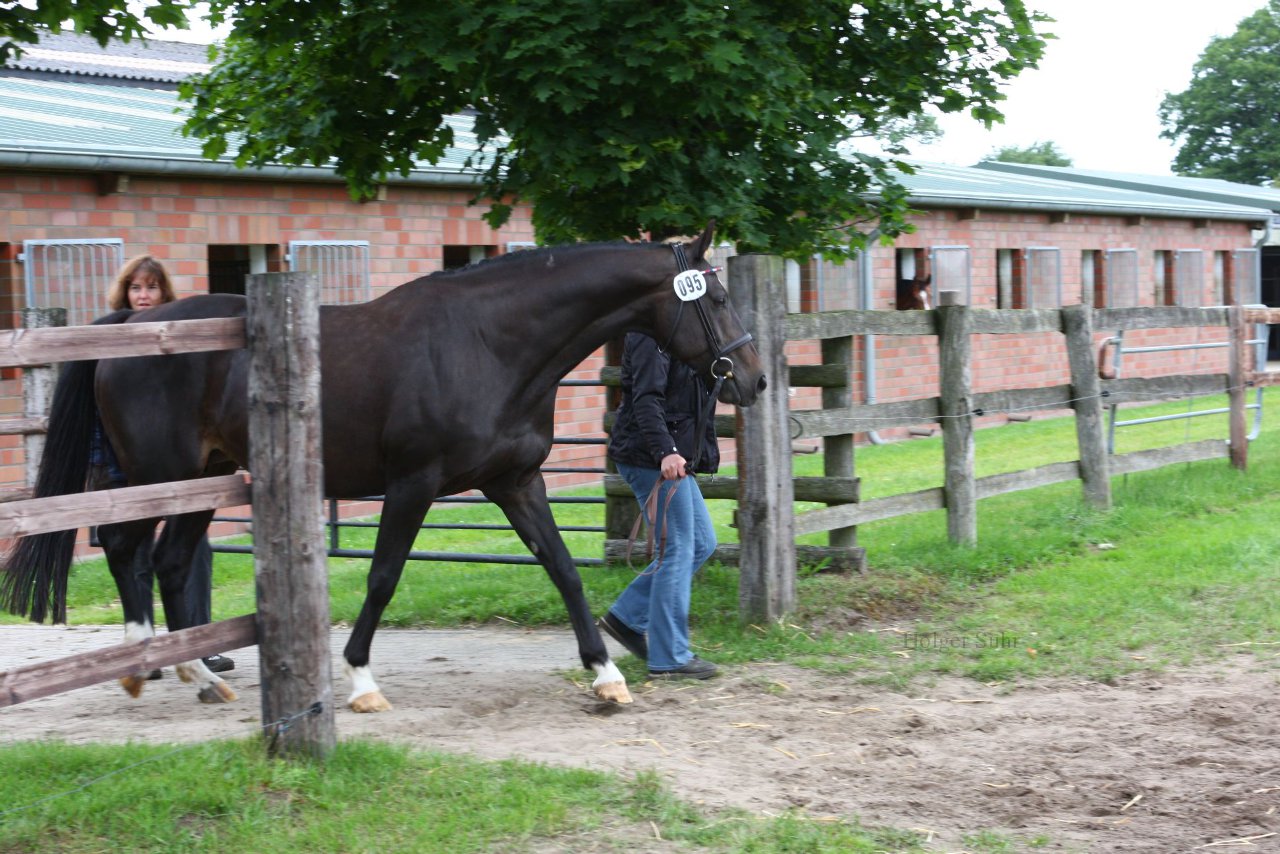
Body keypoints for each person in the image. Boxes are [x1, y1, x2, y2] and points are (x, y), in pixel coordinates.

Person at [92, 255, 234, 675]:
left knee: (193, 548)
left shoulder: (179, 342)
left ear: (164, 293)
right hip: (128, 464)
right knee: (135, 549)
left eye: (152, 288)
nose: (144, 295)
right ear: (125, 293)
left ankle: (195, 640)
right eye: (136, 288)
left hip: (182, 466)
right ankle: (145, 650)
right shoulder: (115, 342)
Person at [597, 331, 720, 679]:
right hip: (651, 456)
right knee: (677, 547)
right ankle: (670, 657)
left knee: (701, 542)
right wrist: (665, 450)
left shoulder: (685, 330)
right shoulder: (652, 335)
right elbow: (646, 400)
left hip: (670, 454)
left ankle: (626, 619)